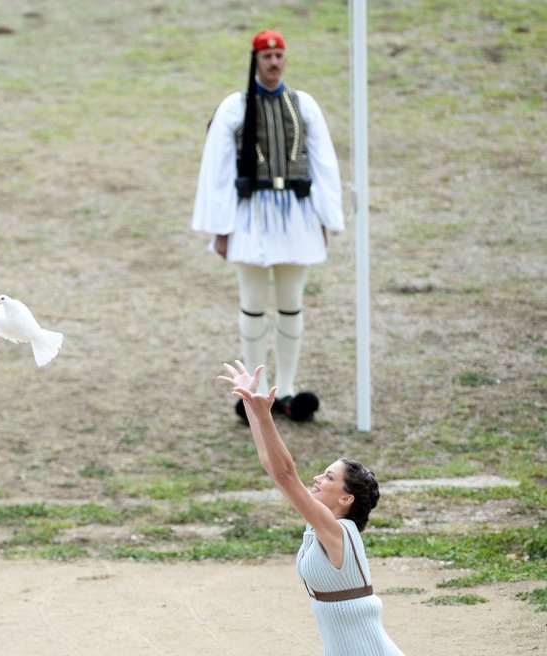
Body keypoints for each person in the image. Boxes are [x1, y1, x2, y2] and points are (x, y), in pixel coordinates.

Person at [192, 30, 344, 424]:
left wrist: (326, 217)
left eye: (279, 55)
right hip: (251, 216)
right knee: (253, 304)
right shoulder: (234, 107)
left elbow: (323, 162)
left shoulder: (303, 104)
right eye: (267, 56)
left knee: (292, 304)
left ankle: (288, 390)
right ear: (255, 60)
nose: (274, 62)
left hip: (296, 214)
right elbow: (218, 170)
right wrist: (220, 228)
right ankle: (256, 394)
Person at [220, 360, 405, 655]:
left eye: (329, 477)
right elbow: (272, 466)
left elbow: (286, 474)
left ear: (346, 499)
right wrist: (251, 405)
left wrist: (266, 415)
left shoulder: (337, 530)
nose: (317, 478)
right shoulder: (322, 524)